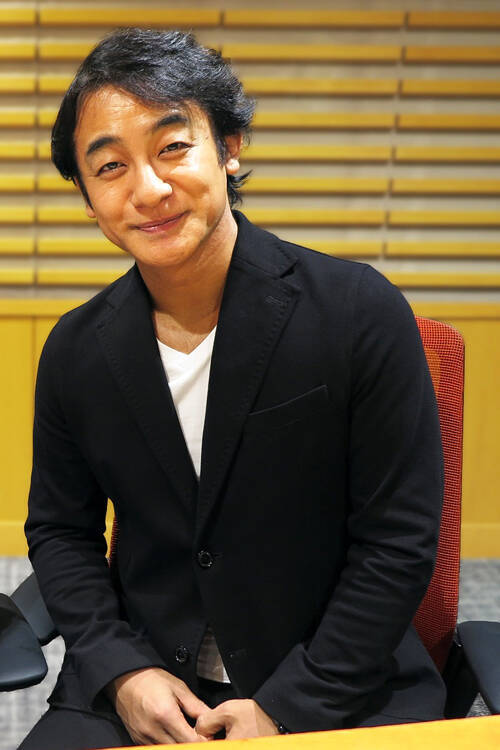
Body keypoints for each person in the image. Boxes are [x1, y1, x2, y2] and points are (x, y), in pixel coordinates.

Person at [20, 28, 446, 750]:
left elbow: (397, 541)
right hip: (146, 683)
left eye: (172, 147)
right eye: (111, 166)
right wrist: (123, 671)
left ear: (230, 147)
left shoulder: (357, 312)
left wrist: (289, 704)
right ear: (89, 199)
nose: (148, 189)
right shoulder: (75, 351)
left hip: (335, 680)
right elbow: (61, 532)